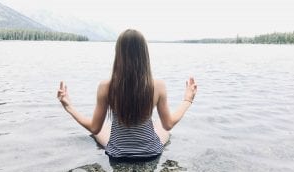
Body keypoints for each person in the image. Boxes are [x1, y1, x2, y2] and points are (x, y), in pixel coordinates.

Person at [57, 29, 197, 159]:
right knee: (160, 127)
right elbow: (168, 124)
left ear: (118, 54)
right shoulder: (158, 86)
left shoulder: (106, 86)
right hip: (151, 152)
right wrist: (187, 100)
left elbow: (94, 127)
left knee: (100, 129)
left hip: (117, 154)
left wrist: (69, 107)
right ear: (144, 54)